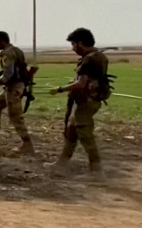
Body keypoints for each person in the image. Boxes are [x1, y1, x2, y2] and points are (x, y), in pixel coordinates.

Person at [47, 28, 110, 178]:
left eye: (73, 44)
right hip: (91, 100)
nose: (73, 48)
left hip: (86, 102)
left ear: (80, 43)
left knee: (85, 135)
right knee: (72, 132)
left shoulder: (88, 59)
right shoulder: (100, 56)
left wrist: (60, 89)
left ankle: (96, 171)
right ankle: (61, 164)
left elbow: (81, 84)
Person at [0, 31, 34, 154]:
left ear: (2, 41)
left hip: (13, 88)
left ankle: (27, 144)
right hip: (14, 87)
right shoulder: (17, 51)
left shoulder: (8, 54)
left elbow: (8, 73)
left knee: (15, 117)